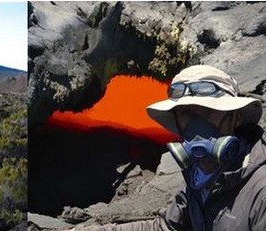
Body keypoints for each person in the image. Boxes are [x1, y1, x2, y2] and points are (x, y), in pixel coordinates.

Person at [71, 65, 265, 231]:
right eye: (186, 113)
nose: (197, 125)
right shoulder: (199, 177)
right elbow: (167, 227)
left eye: (209, 111)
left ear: (236, 117)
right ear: (176, 121)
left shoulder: (260, 191)